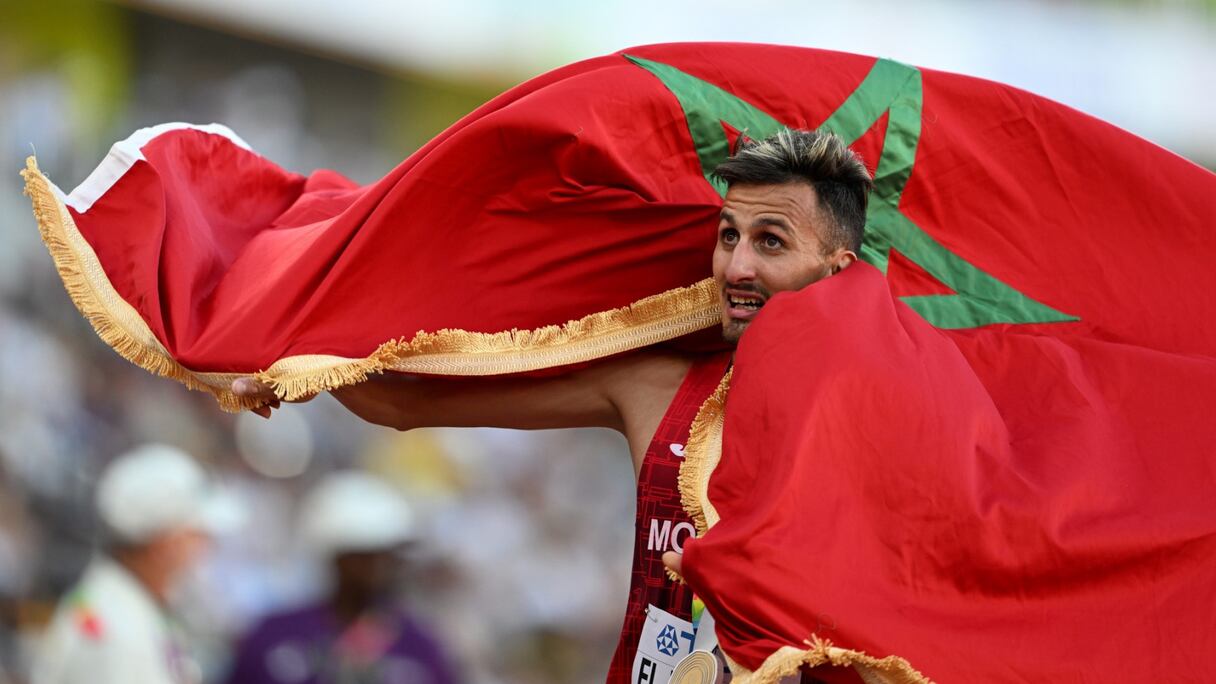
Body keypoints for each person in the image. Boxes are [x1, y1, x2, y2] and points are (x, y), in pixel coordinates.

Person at [233, 128, 873, 683]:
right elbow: (403, 407)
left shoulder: (877, 426)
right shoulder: (656, 385)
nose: (735, 266)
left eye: (771, 243)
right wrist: (289, 365)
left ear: (837, 269)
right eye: (728, 235)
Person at [32, 444, 240, 684]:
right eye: (198, 534)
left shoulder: (130, 607)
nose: (208, 546)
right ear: (164, 545)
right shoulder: (116, 633)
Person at [223, 471, 458, 684]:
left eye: (389, 556)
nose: (382, 568)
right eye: (366, 556)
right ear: (335, 557)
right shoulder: (274, 637)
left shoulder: (419, 647)